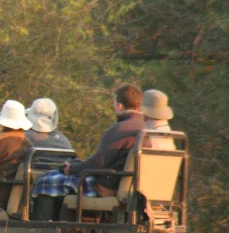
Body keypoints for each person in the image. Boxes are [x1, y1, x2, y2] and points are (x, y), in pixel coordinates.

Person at [30, 84, 145, 221]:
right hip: (132, 188)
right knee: (58, 179)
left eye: (114, 104)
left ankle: (42, 231)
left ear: (120, 106)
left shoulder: (119, 130)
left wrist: (72, 168)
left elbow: (98, 162)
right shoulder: (146, 129)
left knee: (46, 181)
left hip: (107, 186)